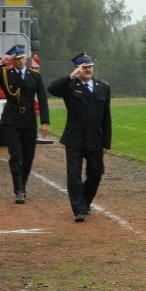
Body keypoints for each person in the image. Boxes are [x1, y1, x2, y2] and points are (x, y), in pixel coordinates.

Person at [48, 52, 112, 222]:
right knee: (74, 174)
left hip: (95, 139)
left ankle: (85, 201)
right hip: (74, 138)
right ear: (78, 69)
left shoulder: (103, 87)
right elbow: (51, 89)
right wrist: (70, 77)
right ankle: (79, 210)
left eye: (90, 67)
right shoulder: (69, 86)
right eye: (84, 67)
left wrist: (107, 142)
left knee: (96, 173)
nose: (88, 70)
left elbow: (107, 117)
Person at [0, 44, 50, 204]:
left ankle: (22, 185)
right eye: (17, 59)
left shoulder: (34, 76)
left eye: (22, 58)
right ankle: (19, 189)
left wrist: (45, 121)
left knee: (28, 157)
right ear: (13, 61)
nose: (21, 61)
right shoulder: (6, 74)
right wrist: (0, 62)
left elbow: (42, 98)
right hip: (11, 119)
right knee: (16, 156)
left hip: (28, 120)